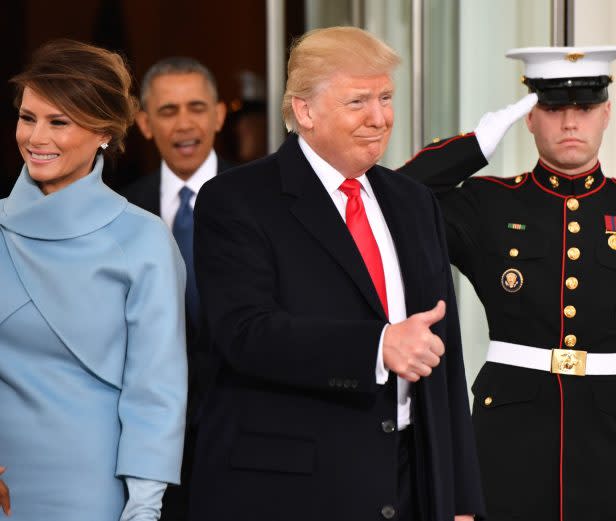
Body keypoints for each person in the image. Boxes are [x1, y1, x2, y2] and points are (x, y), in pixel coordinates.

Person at [189, 26, 484, 521]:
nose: (379, 117)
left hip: (413, 487)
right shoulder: (236, 201)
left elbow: (442, 354)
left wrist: (461, 500)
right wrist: (377, 346)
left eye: (386, 97)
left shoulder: (413, 202)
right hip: (296, 493)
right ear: (304, 111)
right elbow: (244, 333)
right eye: (358, 102)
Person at [399, 47, 616, 521]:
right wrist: (475, 145)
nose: (571, 123)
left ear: (607, 114)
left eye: (585, 108)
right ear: (530, 118)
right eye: (554, 109)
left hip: (610, 447)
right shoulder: (487, 205)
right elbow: (396, 204)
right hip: (507, 441)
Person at [0, 40, 187, 521]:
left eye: (58, 122)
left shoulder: (142, 240)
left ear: (104, 131)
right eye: (27, 117)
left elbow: (156, 389)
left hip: (91, 487)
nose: (36, 137)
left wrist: (144, 506)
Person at [121, 57, 230, 521]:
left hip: (240, 427)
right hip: (152, 439)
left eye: (196, 107)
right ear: (144, 122)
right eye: (167, 111)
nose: (184, 123)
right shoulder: (120, 208)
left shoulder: (265, 198)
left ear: (219, 115)